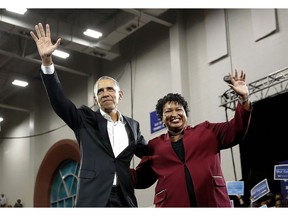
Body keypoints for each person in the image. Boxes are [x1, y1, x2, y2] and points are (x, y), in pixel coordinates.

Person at [30, 23, 148, 207]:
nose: (105, 93)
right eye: (100, 91)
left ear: (120, 94)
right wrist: (47, 62)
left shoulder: (134, 126)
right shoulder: (84, 119)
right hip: (93, 199)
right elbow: (59, 101)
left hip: (125, 200)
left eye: (110, 89)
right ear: (95, 97)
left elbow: (153, 154)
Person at [131, 70, 252, 207]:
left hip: (213, 203)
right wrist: (109, 165)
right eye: (168, 111)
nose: (174, 114)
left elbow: (236, 130)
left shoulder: (207, 130)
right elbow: (140, 179)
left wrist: (244, 99)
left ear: (186, 114)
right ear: (162, 119)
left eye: (179, 110)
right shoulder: (154, 146)